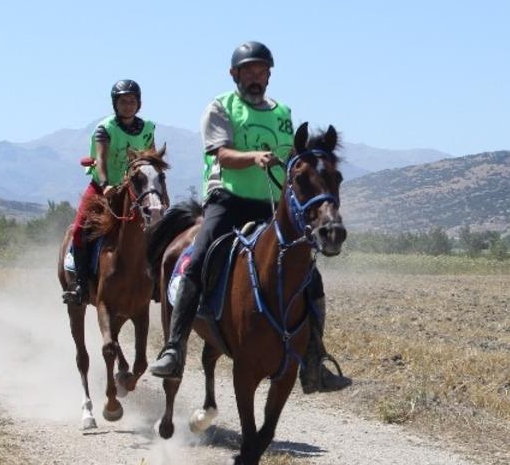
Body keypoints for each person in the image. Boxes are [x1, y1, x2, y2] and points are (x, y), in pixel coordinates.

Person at [148, 41, 350, 393]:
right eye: (249, 72)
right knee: (197, 261)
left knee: (310, 276)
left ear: (269, 75)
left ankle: (315, 359)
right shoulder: (221, 107)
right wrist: (254, 157)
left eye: (262, 72)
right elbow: (222, 154)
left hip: (270, 204)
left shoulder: (282, 113)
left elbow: (295, 161)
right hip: (227, 200)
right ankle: (175, 347)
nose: (257, 78)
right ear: (235, 74)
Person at [62, 79, 156, 305]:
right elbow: (101, 160)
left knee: (157, 228)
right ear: (115, 104)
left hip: (135, 189)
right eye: (123, 101)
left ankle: (157, 284)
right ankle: (81, 286)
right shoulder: (105, 129)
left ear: (139, 104)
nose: (128, 105)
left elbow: (150, 159)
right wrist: (105, 185)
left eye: (132, 101)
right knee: (78, 230)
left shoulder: (148, 128)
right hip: (104, 188)